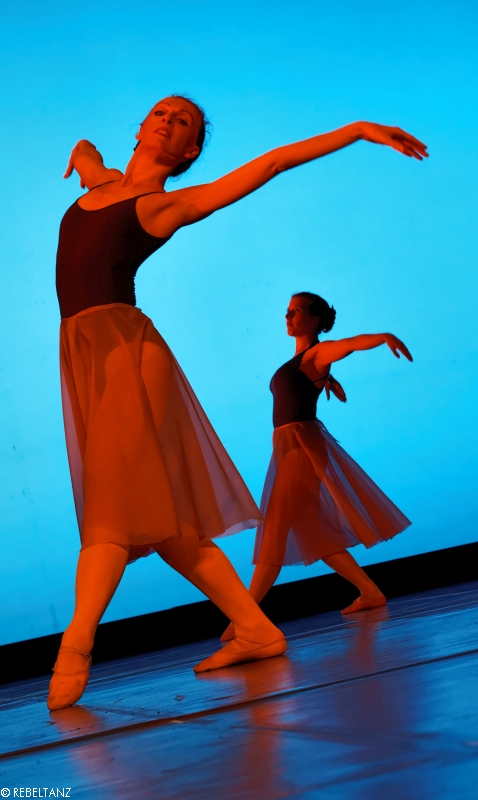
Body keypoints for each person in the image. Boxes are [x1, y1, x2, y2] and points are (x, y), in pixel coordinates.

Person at [50, 95, 426, 710]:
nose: (169, 121)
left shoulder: (164, 207)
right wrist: (82, 152)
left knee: (110, 511)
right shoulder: (103, 183)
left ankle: (77, 643)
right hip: (86, 355)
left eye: (184, 123)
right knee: (163, 521)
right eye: (161, 113)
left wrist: (357, 130)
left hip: (126, 353)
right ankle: (255, 629)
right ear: (141, 127)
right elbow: (89, 157)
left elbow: (272, 164)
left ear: (190, 151)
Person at [221, 292, 412, 642]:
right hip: (288, 447)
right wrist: (326, 381)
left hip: (301, 448)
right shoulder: (304, 361)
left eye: (295, 311)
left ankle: (245, 617)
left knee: (275, 528)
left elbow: (348, 345)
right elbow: (302, 383)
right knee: (316, 534)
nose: (287, 316)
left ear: (314, 319)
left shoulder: (317, 354)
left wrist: (383, 337)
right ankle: (370, 592)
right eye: (287, 311)